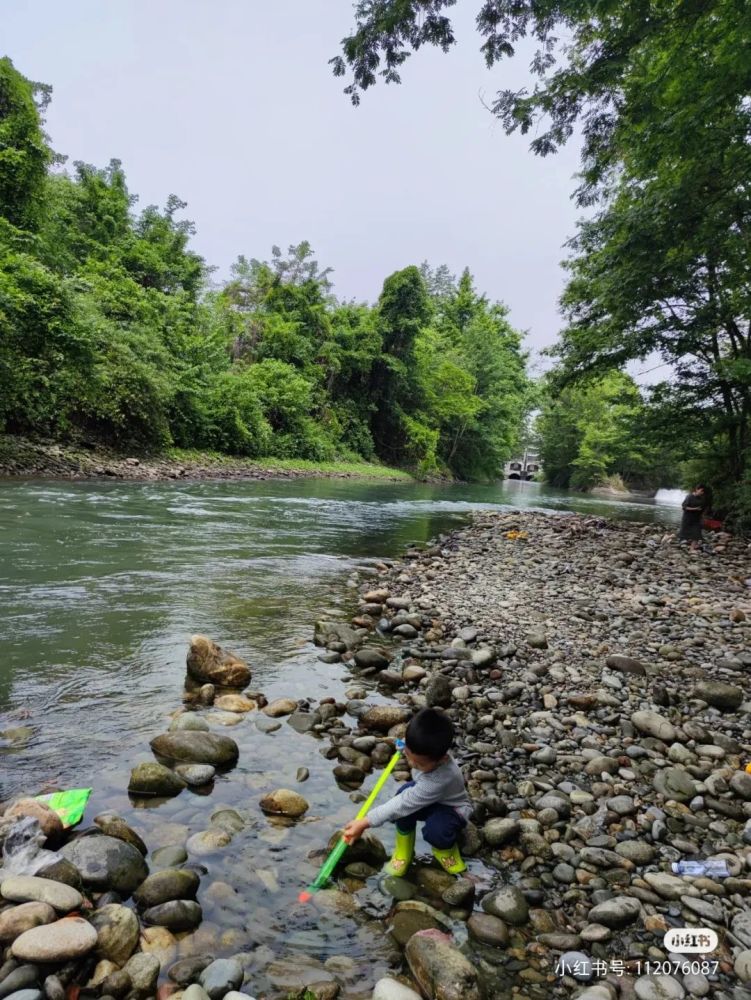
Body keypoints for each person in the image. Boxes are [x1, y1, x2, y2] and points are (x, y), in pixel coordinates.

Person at [342, 707, 473, 876]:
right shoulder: (418, 745)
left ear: (442, 759)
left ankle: (446, 851)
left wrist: (365, 822)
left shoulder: (439, 778)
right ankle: (404, 849)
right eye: (408, 755)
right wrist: (402, 746)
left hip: (451, 808)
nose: (411, 763)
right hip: (426, 796)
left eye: (418, 764)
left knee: (435, 830)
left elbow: (402, 804)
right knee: (402, 799)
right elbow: (407, 744)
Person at [679, 484, 709, 548]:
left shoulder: (702, 498)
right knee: (685, 532)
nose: (702, 493)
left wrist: (703, 516)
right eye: (701, 491)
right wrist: (695, 509)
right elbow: (684, 507)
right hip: (688, 517)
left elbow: (704, 508)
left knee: (697, 532)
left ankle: (692, 548)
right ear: (696, 489)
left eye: (703, 492)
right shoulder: (689, 496)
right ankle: (670, 537)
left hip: (697, 518)